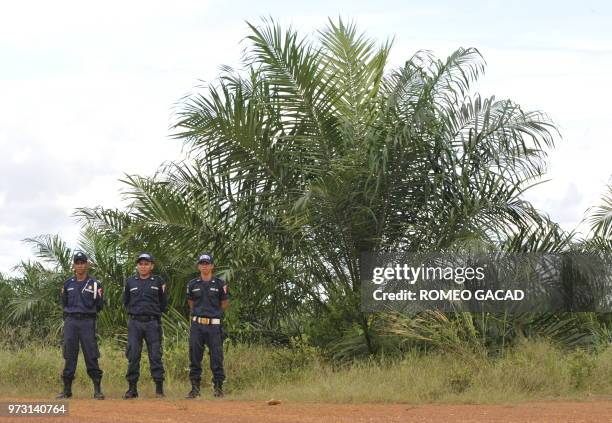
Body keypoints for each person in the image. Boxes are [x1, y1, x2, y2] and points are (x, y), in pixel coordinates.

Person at [57, 251, 105, 400]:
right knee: (69, 354)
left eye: (82, 262)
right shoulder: (68, 284)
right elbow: (63, 303)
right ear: (73, 265)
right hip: (71, 322)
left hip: (87, 322)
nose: (80, 265)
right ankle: (67, 390)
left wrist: (87, 313)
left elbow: (99, 305)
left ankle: (97, 390)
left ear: (87, 264)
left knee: (91, 354)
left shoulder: (95, 284)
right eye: (77, 263)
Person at [122, 253, 168, 399]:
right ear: (137, 266)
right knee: (133, 355)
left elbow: (163, 303)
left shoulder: (158, 281)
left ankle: (159, 390)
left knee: (155, 355)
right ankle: (132, 389)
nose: (143, 266)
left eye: (146, 264)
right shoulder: (130, 282)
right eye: (141, 264)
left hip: (152, 323)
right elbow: (126, 301)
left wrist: (152, 314)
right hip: (135, 323)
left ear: (152, 266)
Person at [185, 253, 229, 398]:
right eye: (202, 263)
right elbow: (191, 303)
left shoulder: (220, 284)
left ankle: (218, 388)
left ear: (212, 266)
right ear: (198, 266)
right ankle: (195, 389)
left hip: (214, 326)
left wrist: (212, 314)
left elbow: (224, 304)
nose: (204, 266)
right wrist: (200, 315)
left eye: (207, 263)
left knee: (216, 357)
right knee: (195, 356)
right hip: (197, 326)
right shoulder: (192, 284)